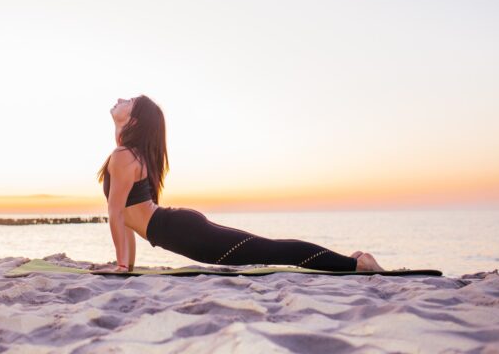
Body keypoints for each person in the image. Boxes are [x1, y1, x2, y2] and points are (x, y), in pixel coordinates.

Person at [96, 95, 385, 274]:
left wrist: (122, 267)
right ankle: (353, 261)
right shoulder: (130, 156)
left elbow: (118, 214)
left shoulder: (123, 157)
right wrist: (126, 267)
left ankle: (356, 265)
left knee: (268, 250)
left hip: (183, 231)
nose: (121, 98)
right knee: (267, 248)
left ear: (135, 120)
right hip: (179, 227)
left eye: (129, 100)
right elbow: (125, 221)